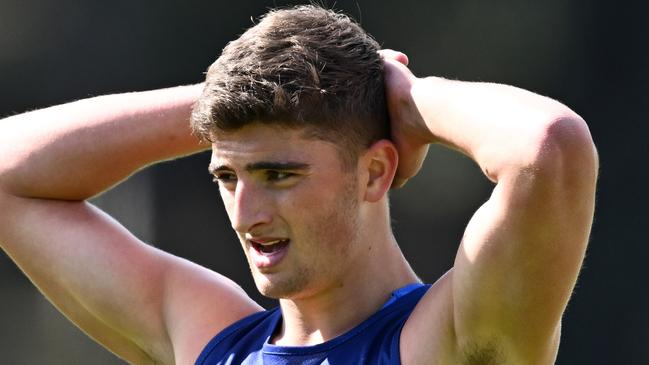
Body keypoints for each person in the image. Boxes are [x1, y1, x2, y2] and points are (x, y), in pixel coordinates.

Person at [0, 5, 598, 365]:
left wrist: (405, 97)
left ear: (376, 171)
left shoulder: (451, 339)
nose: (245, 213)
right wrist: (221, 98)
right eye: (227, 176)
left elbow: (548, 146)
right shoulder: (213, 343)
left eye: (278, 174)